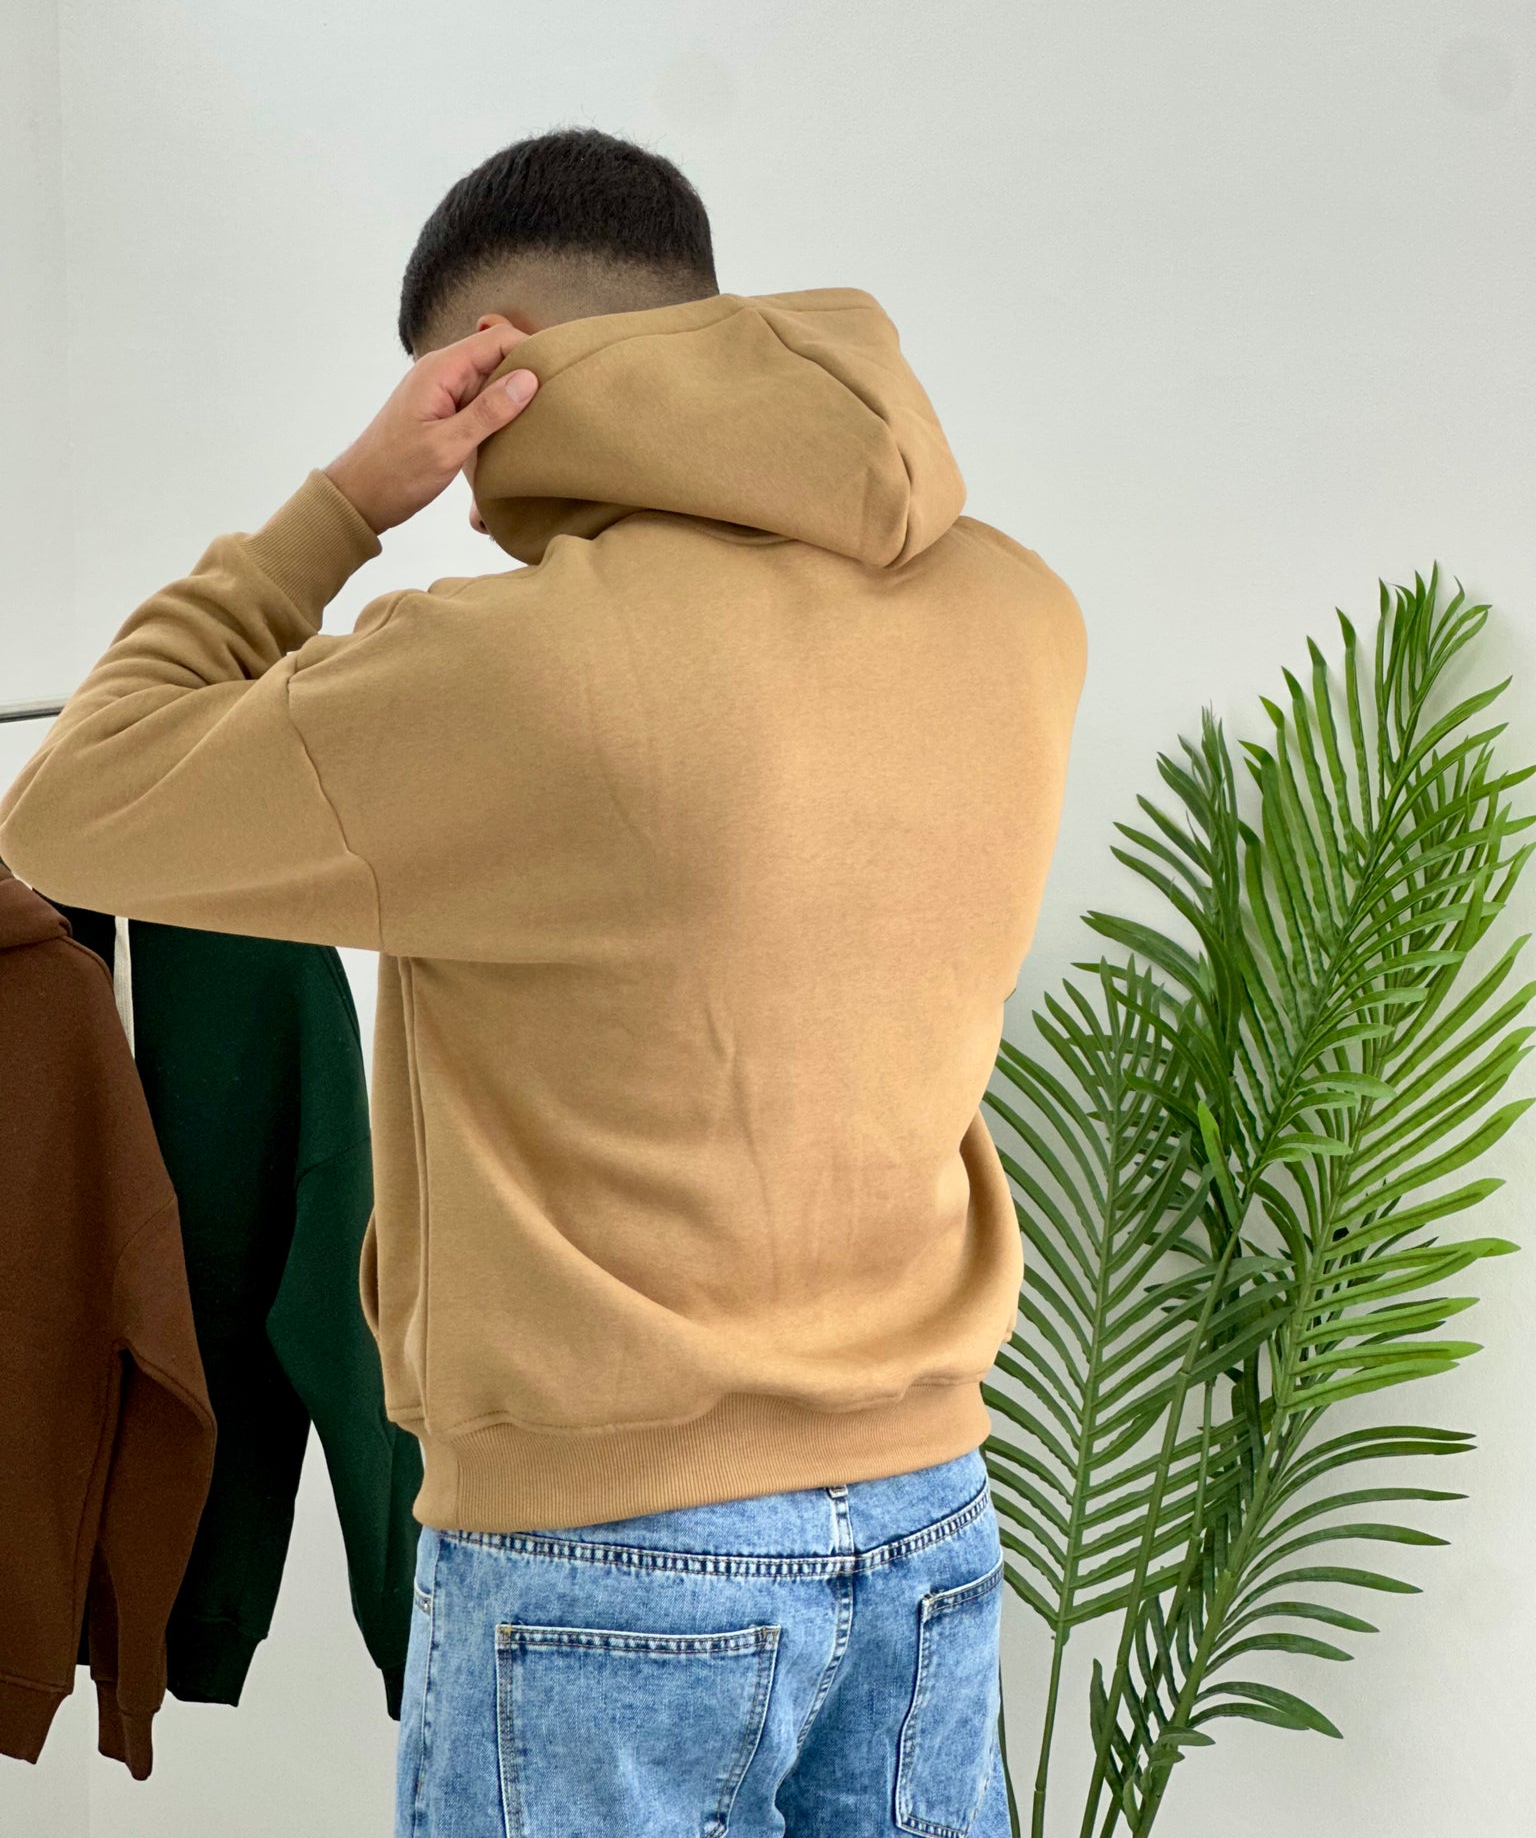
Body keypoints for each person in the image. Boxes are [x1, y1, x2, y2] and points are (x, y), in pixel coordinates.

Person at [0, 126, 1087, 1835]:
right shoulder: (1018, 612)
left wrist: (346, 503)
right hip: (927, 1521)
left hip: (607, 1557)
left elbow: (71, 805)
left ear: (487, 366)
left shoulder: (504, 674)